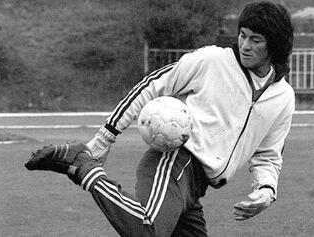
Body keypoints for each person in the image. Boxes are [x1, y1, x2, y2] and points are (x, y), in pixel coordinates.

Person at [27, 1, 295, 236]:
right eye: (242, 36)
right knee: (147, 231)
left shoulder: (282, 98)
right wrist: (106, 136)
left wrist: (266, 188)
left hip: (196, 187)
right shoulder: (213, 60)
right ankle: (82, 164)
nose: (245, 46)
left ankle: (80, 163)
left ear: (275, 46)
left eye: (255, 40)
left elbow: (269, 154)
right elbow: (152, 85)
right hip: (174, 162)